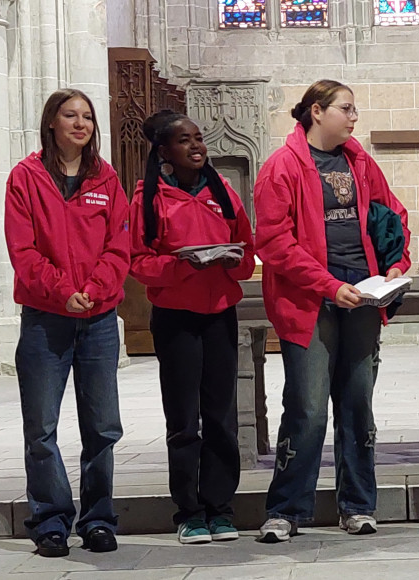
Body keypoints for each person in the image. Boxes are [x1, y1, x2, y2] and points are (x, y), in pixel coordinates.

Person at [254, 79, 411, 542]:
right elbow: (274, 242)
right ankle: (286, 510)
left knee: (357, 404)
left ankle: (358, 505)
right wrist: (328, 284)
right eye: (347, 108)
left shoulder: (359, 161)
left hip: (361, 295)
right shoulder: (281, 166)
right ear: (317, 111)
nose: (354, 116)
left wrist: (395, 265)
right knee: (307, 408)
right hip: (309, 300)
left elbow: (391, 214)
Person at [5, 89, 129, 557]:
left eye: (88, 117)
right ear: (51, 123)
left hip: (97, 320)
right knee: (41, 428)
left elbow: (119, 245)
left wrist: (93, 291)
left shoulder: (106, 178)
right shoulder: (26, 177)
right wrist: (63, 292)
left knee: (102, 427)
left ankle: (98, 519)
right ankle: (51, 520)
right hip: (45, 319)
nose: (81, 124)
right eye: (70, 115)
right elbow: (23, 250)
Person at [129, 111, 256, 543]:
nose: (196, 146)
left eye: (199, 138)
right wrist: (180, 263)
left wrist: (231, 258)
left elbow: (247, 254)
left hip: (219, 312)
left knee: (221, 416)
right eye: (185, 141)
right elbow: (140, 262)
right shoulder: (149, 197)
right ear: (165, 151)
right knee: (185, 419)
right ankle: (189, 512)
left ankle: (220, 509)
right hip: (176, 318)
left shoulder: (223, 193)